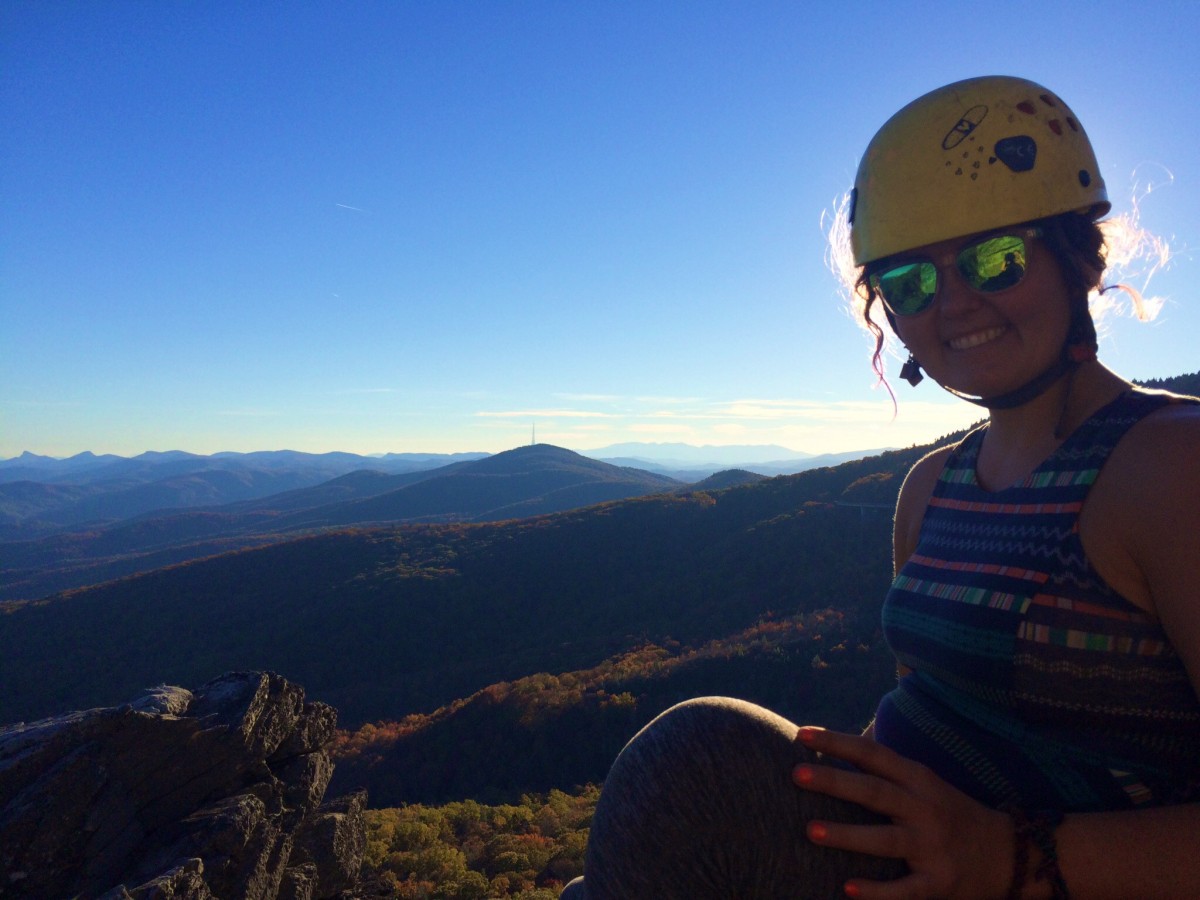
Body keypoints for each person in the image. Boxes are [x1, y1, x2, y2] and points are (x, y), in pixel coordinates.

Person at [561, 75, 1200, 899]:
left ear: (1077, 257)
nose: (957, 302)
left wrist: (1009, 857)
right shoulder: (933, 488)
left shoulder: (1170, 466)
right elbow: (935, 714)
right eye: (911, 282)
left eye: (995, 258)